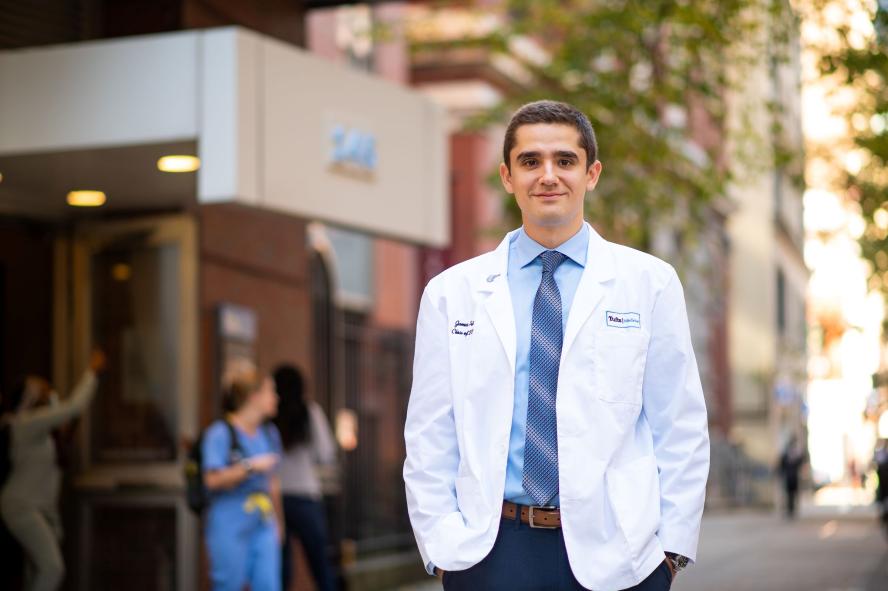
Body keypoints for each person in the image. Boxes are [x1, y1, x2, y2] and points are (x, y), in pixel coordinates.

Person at [403, 100, 710, 591]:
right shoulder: (451, 293)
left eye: (565, 160)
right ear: (507, 176)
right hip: (490, 553)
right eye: (530, 161)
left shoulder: (649, 283)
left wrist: (670, 552)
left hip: (618, 556)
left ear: (591, 173)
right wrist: (442, 547)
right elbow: (430, 434)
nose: (548, 175)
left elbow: (680, 426)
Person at [0, 349, 106, 591]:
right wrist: (92, 372)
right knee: (52, 568)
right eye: (44, 392)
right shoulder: (26, 423)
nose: (50, 396)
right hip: (22, 506)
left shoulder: (41, 431)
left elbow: (66, 432)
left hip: (42, 509)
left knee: (36, 571)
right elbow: (73, 407)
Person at [202, 360, 283, 591]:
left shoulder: (269, 433)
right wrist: (250, 467)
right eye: (270, 392)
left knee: (268, 585)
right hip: (229, 523)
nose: (276, 398)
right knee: (229, 585)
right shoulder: (220, 433)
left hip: (263, 522)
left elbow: (273, 482)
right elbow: (211, 479)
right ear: (253, 397)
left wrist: (279, 524)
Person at [272, 364, 338, 591]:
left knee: (281, 569)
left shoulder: (269, 416)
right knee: (320, 565)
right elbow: (326, 453)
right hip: (305, 497)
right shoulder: (310, 412)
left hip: (275, 498)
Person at [777, 435, 804, 519]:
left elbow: (800, 462)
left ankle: (792, 509)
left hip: (794, 477)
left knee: (793, 494)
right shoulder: (786, 454)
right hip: (788, 477)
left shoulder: (795, 453)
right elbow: (781, 464)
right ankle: (789, 510)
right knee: (789, 494)